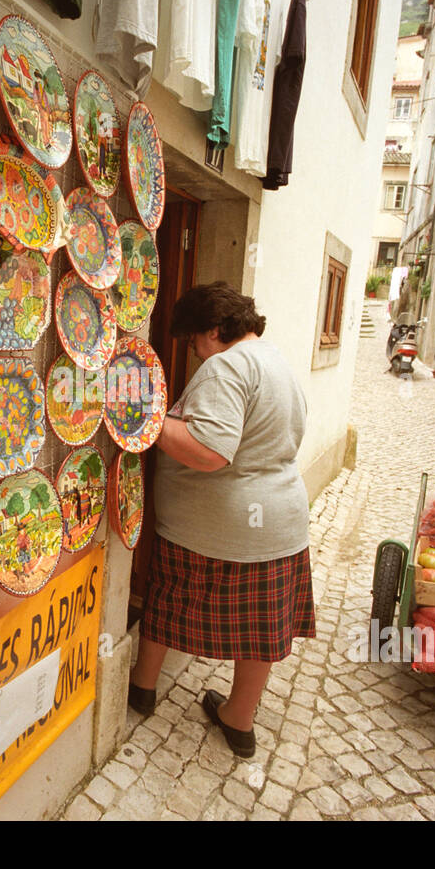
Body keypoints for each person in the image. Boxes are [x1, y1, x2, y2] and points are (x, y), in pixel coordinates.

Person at [128, 282, 315, 757]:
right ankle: (239, 718)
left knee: (169, 602)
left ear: (215, 329)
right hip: (278, 524)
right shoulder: (276, 361)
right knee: (261, 631)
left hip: (213, 529)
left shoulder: (226, 367)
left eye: (193, 340)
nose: (193, 351)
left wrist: (146, 418)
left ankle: (142, 688)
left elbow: (211, 451)